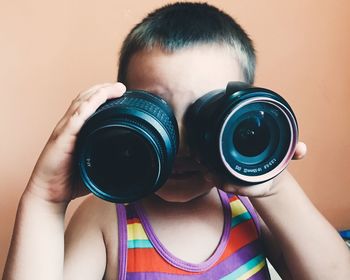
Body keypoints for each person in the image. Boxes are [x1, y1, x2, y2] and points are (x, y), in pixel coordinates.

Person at [3, 2, 350, 280]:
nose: (182, 145)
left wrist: (276, 187)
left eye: (207, 115)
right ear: (124, 110)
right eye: (160, 117)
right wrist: (45, 200)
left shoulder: (250, 205)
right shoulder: (106, 219)